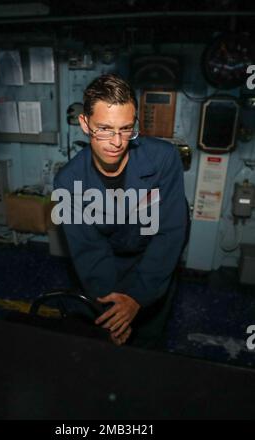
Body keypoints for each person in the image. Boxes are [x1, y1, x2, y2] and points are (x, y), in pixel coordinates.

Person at [53, 73, 188, 348]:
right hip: (107, 267)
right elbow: (89, 251)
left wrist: (138, 296)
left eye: (126, 129)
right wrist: (114, 312)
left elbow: (171, 232)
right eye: (104, 128)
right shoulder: (68, 181)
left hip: (155, 265)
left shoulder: (164, 159)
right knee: (107, 345)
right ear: (84, 123)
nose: (117, 141)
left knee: (149, 344)